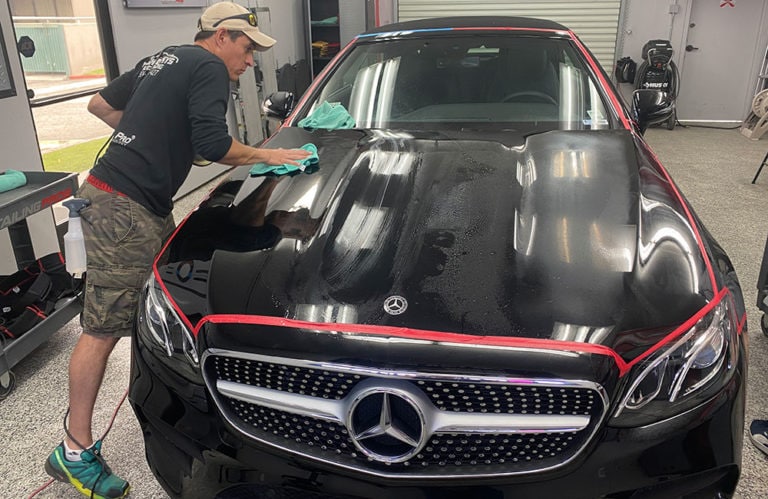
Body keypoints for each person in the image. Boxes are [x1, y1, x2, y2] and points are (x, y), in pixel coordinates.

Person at [43, 3, 310, 498]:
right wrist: (269, 154)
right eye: (248, 47)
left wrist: (149, 137)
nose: (250, 61)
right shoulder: (208, 65)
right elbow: (213, 145)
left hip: (125, 198)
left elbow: (99, 106)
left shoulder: (165, 57)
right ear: (221, 36)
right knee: (102, 330)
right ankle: (74, 452)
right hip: (124, 208)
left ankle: (163, 395)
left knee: (153, 303)